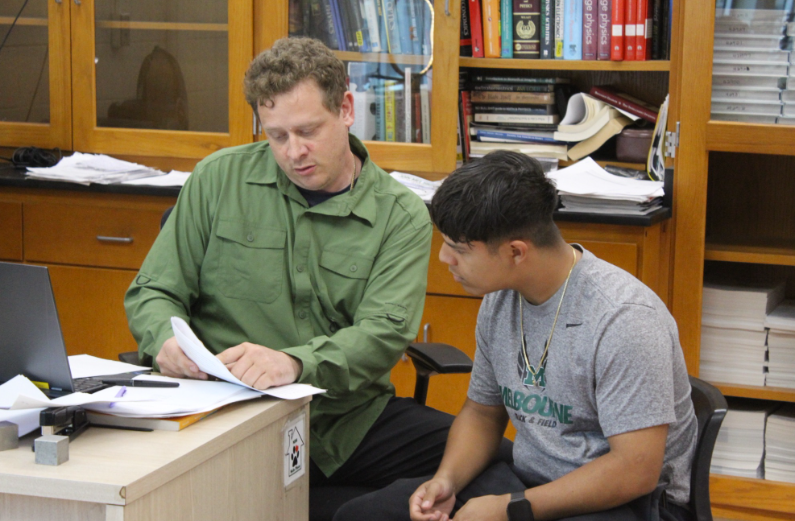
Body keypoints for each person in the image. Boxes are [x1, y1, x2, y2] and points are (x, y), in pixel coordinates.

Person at [124, 37, 458, 516]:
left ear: (346, 108)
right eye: (277, 135)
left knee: (488, 458)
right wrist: (163, 342)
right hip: (224, 412)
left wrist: (294, 363)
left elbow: (384, 334)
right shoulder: (218, 179)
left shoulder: (399, 213)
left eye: (307, 131)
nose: (294, 152)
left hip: (342, 420)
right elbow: (153, 290)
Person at [335, 150, 698, 521]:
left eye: (459, 249)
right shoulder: (500, 300)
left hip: (627, 503)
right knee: (363, 515)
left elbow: (634, 472)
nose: (445, 258)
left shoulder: (623, 319)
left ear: (516, 252)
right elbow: (482, 413)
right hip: (531, 483)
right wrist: (447, 481)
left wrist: (511, 509)